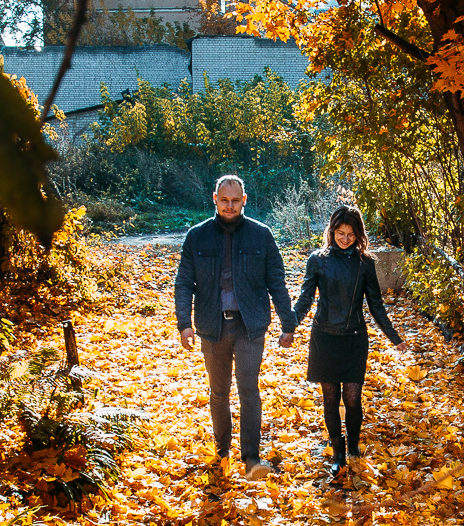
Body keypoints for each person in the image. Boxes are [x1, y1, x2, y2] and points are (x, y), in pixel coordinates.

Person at [173, 175, 296, 478]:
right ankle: (221, 450)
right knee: (218, 392)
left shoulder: (261, 235)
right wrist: (184, 325)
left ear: (244, 200)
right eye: (224, 200)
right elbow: (183, 283)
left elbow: (276, 282)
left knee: (249, 389)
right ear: (214, 199)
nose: (230, 206)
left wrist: (287, 323)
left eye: (235, 200)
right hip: (212, 327)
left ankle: (251, 458)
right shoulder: (196, 236)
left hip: (249, 326)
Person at [284, 204, 405, 476]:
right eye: (340, 232)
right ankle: (338, 453)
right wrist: (289, 326)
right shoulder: (318, 259)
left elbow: (376, 305)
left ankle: (353, 448)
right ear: (331, 231)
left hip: (354, 340)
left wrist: (394, 337)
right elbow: (305, 298)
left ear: (358, 234)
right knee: (330, 399)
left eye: (351, 234)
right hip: (324, 338)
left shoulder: (365, 264)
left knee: (352, 398)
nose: (345, 238)